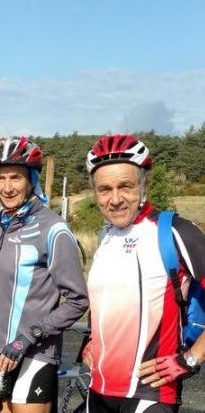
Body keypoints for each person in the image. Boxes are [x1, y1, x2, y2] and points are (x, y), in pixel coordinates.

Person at [0, 136, 89, 413]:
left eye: (16, 178)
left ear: (31, 180)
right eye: (1, 178)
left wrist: (27, 336)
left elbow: (78, 301)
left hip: (34, 351)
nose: (7, 187)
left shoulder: (54, 229)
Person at [83, 134, 205, 412]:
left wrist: (190, 359)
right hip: (98, 390)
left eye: (125, 186)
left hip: (150, 395)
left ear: (143, 185)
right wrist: (90, 344)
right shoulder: (106, 237)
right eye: (104, 189)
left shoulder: (173, 231)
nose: (115, 199)